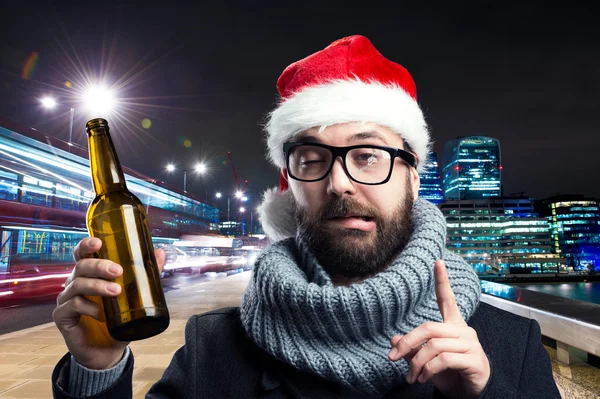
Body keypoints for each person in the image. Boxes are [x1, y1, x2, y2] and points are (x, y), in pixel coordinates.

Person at [51, 35, 560, 398]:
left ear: (413, 177)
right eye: (312, 160)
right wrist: (98, 369)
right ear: (290, 187)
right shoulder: (215, 349)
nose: (339, 182)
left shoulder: (506, 347)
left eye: (368, 155)